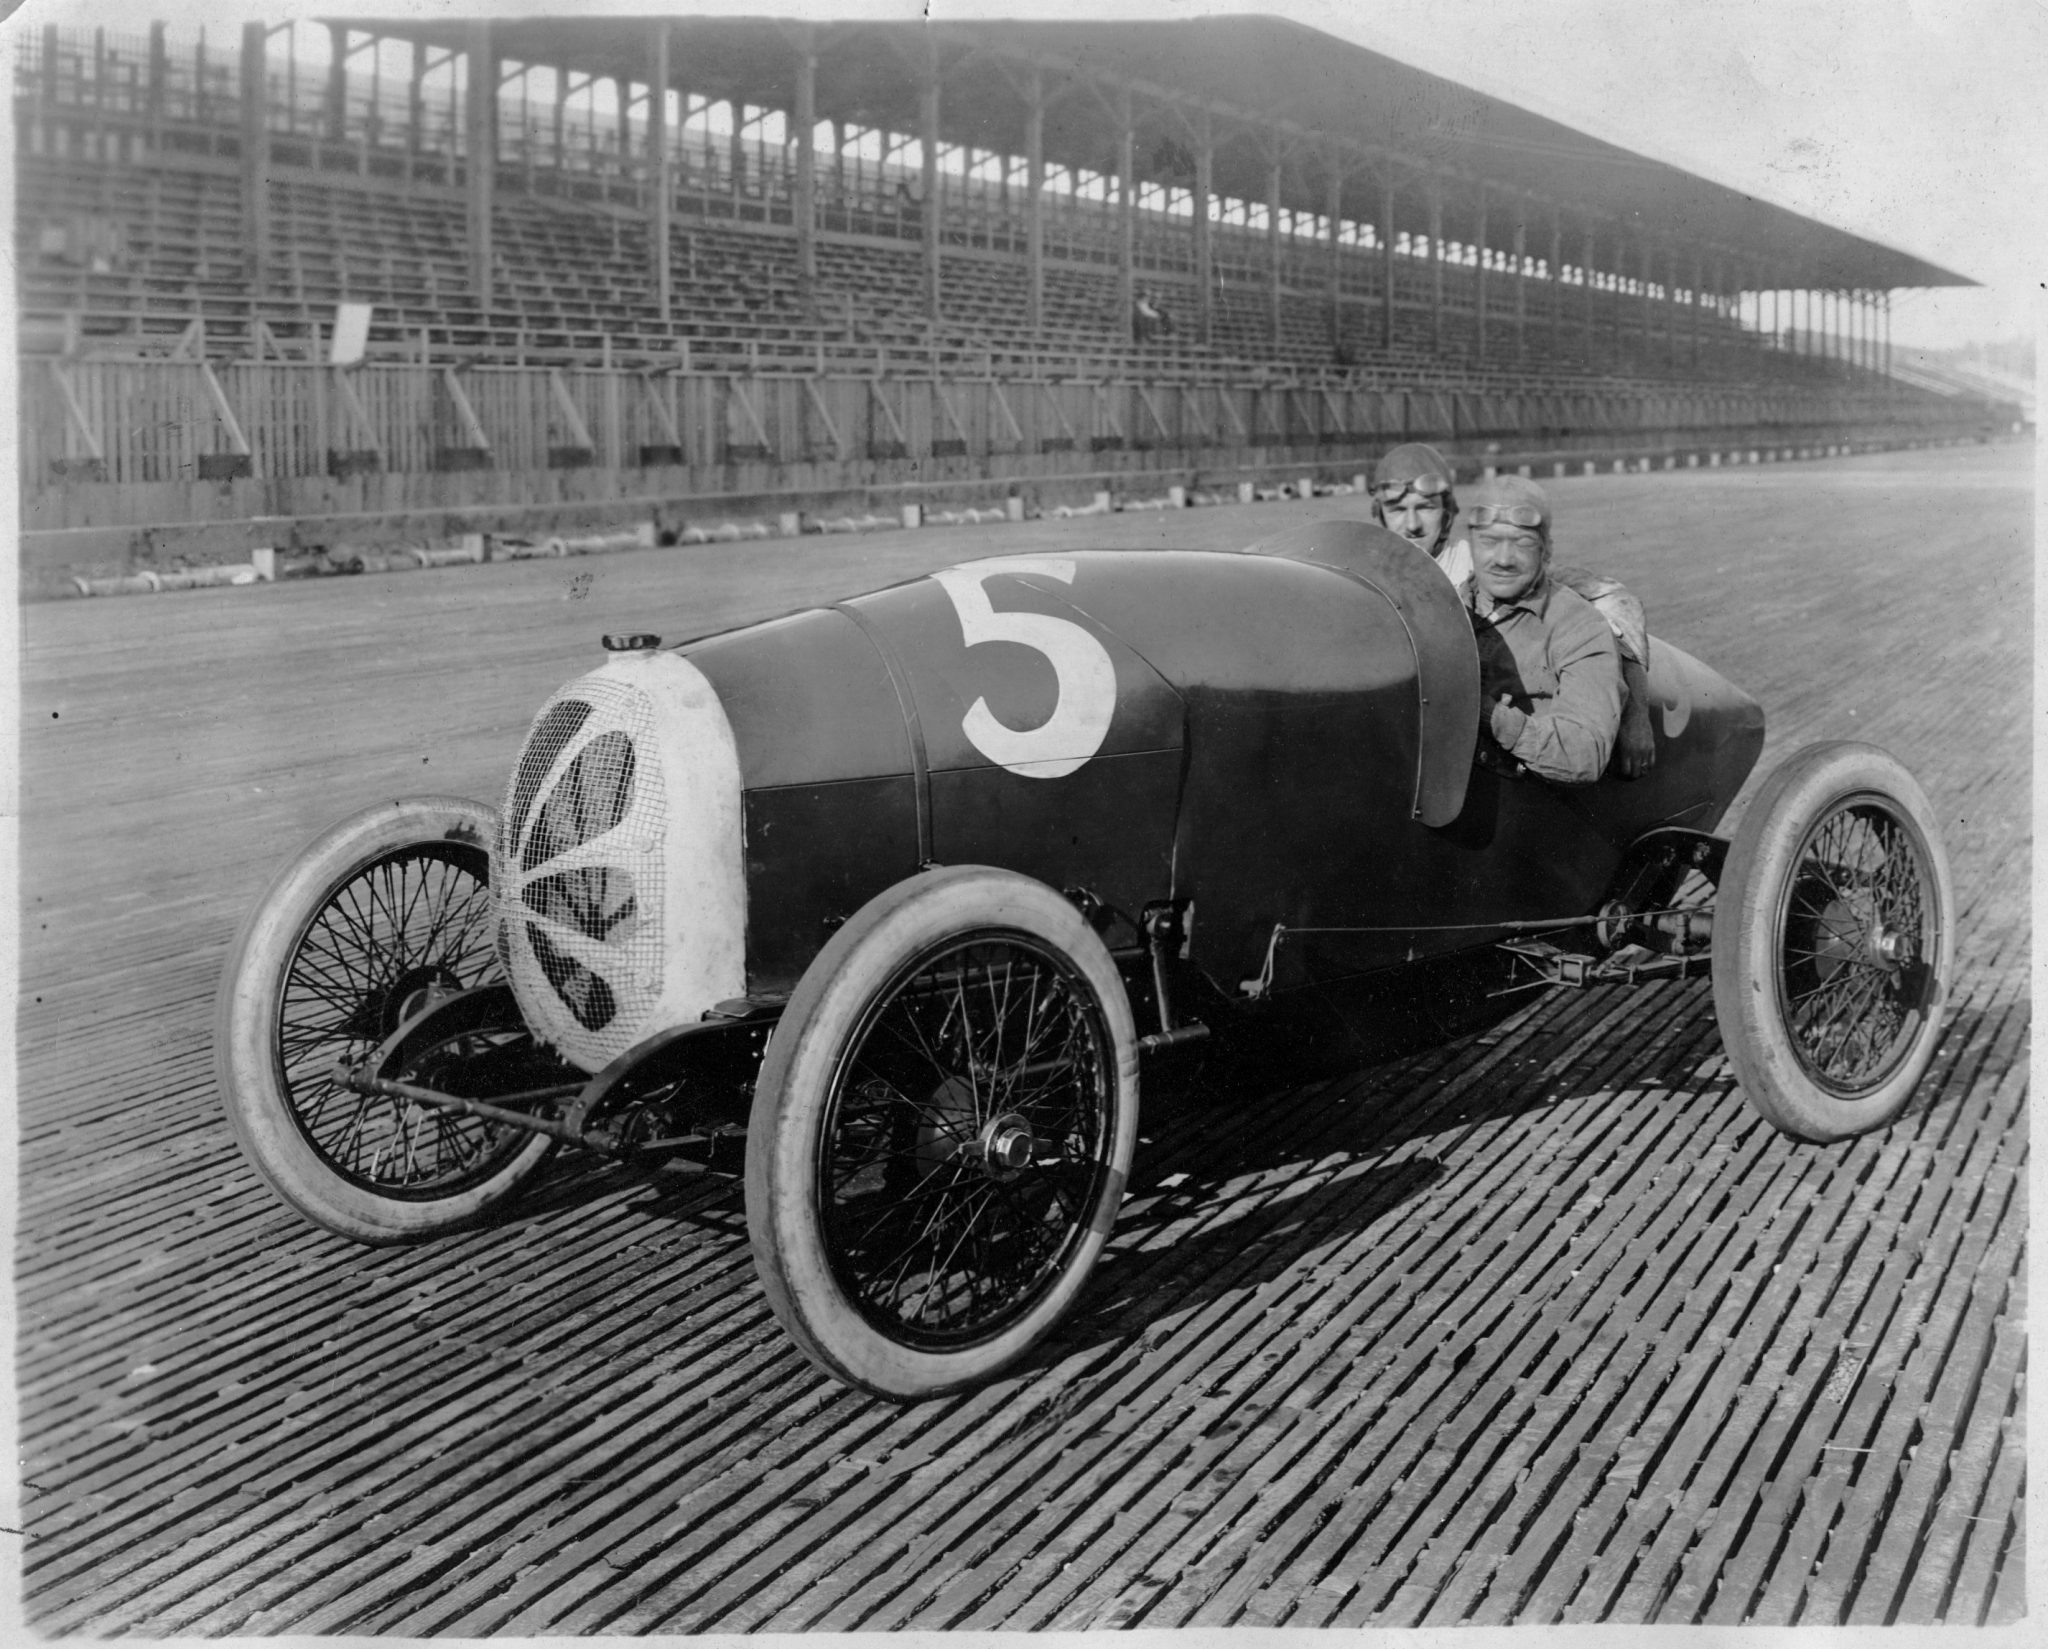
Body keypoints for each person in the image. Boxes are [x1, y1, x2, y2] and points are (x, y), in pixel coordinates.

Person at [1369, 443, 1656, 778]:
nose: (1412, 524)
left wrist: (1636, 713)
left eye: (1426, 507)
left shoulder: (1477, 564)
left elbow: (1611, 599)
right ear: (1380, 515)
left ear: (1447, 513)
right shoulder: (1369, 574)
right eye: (1397, 509)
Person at [1462, 475, 1620, 785]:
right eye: (1489, 542)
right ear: (1471, 546)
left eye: (1522, 543)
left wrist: (1490, 717)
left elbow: (1585, 755)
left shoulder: (1580, 625)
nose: (1503, 560)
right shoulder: (1442, 608)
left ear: (1546, 550)